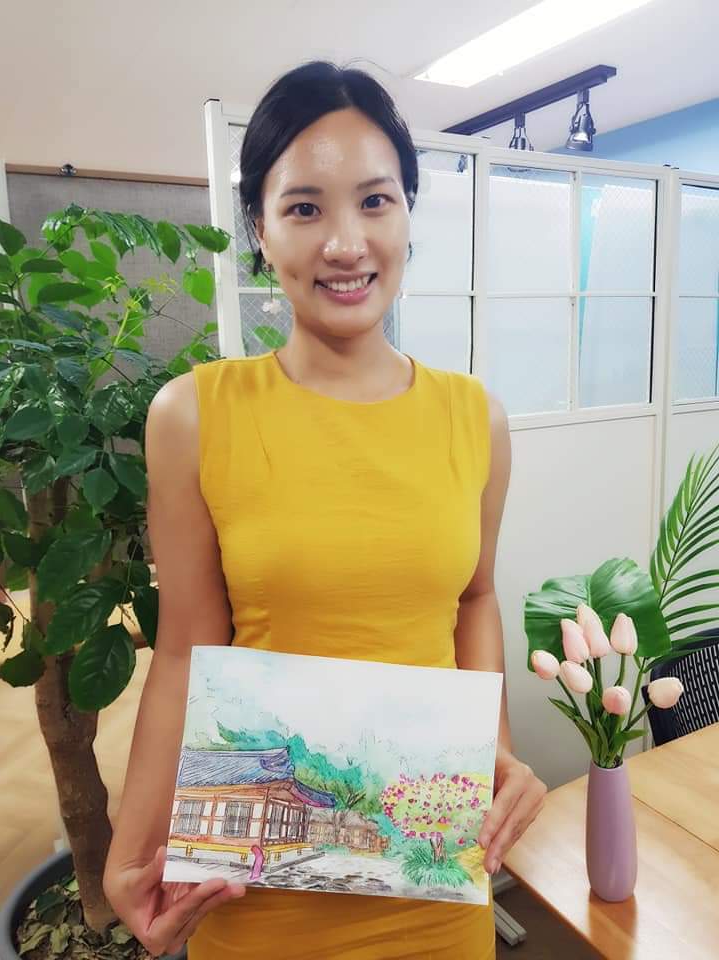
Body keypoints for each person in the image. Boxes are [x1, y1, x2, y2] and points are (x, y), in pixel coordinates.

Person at [103, 60, 546, 959]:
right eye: (304, 208)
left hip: (432, 882)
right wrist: (131, 850)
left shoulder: (477, 419)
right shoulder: (195, 416)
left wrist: (490, 750)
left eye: (375, 201)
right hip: (258, 892)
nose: (346, 243)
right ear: (260, 231)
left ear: (408, 215)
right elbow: (186, 648)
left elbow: (473, 598)